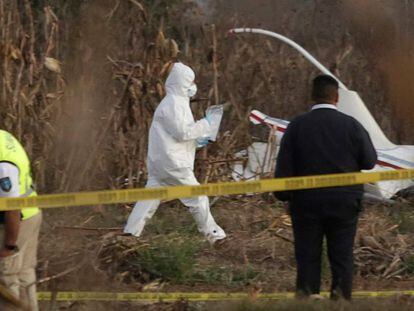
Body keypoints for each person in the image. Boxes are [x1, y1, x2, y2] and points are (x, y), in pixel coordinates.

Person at [274, 75, 377, 300]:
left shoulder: (297, 126)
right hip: (345, 203)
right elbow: (369, 161)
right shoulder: (351, 125)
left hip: (306, 204)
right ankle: (340, 302)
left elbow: (284, 168)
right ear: (336, 97)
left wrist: (284, 196)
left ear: (312, 96)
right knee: (341, 257)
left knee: (307, 256)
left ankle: (307, 301)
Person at [124, 62, 226, 244]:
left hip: (162, 162)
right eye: (191, 82)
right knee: (198, 198)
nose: (193, 86)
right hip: (174, 164)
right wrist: (206, 124)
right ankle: (215, 236)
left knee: (148, 199)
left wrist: (198, 142)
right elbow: (182, 132)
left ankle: (130, 234)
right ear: (183, 83)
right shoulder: (174, 103)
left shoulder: (175, 102)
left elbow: (177, 136)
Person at [0, 130, 41, 310]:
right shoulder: (3, 137)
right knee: (25, 275)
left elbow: (12, 208)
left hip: (17, 220)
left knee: (7, 277)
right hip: (32, 212)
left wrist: (9, 246)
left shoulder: (4, 165)